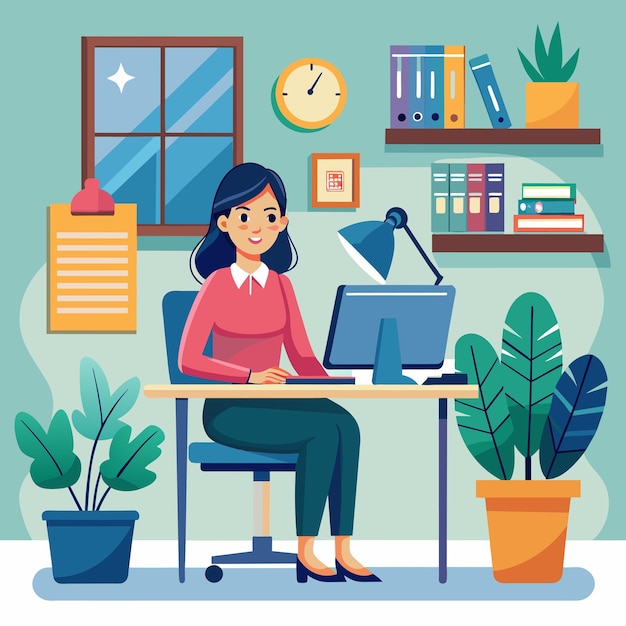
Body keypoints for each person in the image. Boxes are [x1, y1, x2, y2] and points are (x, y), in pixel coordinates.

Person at [179, 162, 379, 583]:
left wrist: (341, 380)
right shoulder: (216, 285)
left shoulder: (283, 286)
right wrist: (248, 376)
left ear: (283, 223)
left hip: (281, 401)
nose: (258, 228)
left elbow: (302, 356)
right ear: (225, 223)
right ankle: (306, 548)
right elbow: (188, 360)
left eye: (270, 217)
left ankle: (342, 547)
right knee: (323, 432)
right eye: (246, 216)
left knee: (347, 425)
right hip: (231, 408)